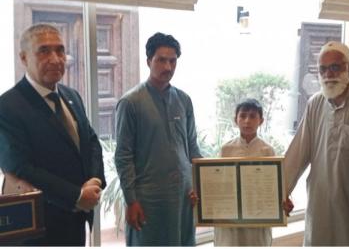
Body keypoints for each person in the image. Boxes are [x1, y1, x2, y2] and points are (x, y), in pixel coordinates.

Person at [0, 23, 105, 245]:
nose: (56, 59)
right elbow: (19, 166)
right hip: (42, 226)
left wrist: (95, 181)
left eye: (60, 50)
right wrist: (76, 195)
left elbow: (92, 142)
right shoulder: (7, 106)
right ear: (24, 58)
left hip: (77, 219)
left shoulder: (72, 96)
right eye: (44, 51)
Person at [284, 41, 349, 246]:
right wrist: (280, 193)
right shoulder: (315, 104)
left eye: (335, 67)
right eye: (323, 69)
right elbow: (297, 154)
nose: (329, 74)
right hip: (321, 206)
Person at [115, 32, 202, 246]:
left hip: (182, 197)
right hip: (148, 200)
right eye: (161, 60)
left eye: (172, 61)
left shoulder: (183, 100)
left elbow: (192, 148)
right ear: (148, 61)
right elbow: (123, 157)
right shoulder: (131, 102)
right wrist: (131, 200)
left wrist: (201, 184)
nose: (168, 67)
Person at [213, 98, 276, 246]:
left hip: (258, 214)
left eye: (253, 116)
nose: (247, 121)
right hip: (230, 217)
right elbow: (218, 183)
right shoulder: (226, 149)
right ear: (236, 120)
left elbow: (274, 185)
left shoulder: (268, 150)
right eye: (243, 116)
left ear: (261, 120)